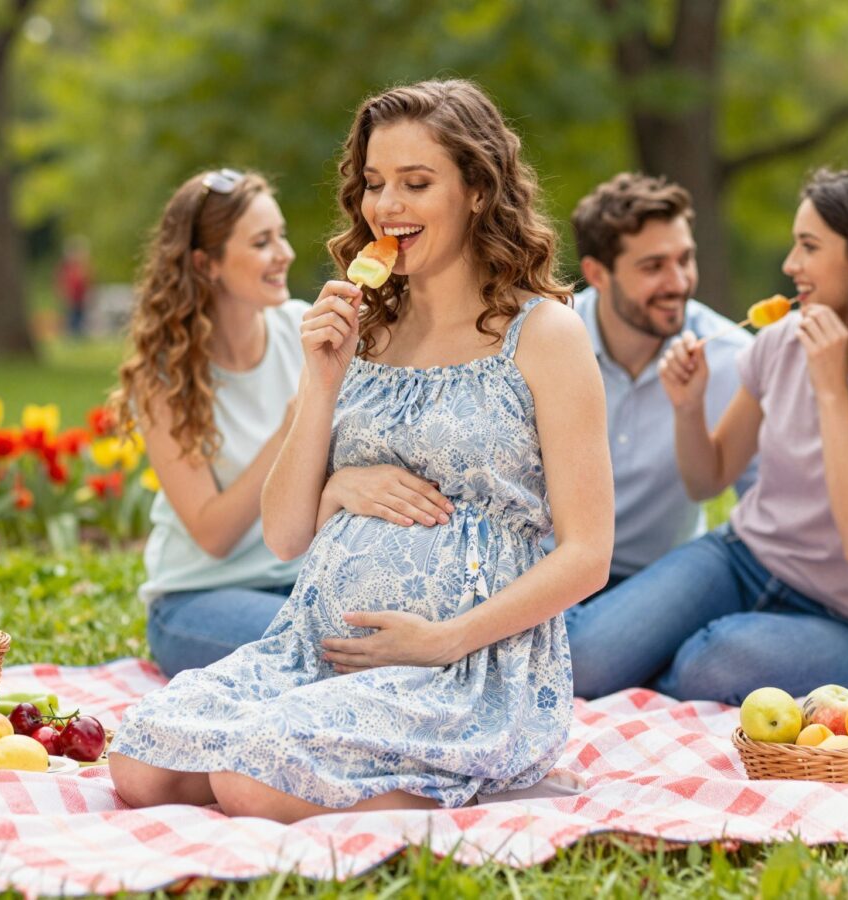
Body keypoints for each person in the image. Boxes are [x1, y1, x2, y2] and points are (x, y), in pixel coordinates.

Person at [109, 78, 613, 823]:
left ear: (477, 191)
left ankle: (492, 788)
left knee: (251, 784)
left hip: (463, 666)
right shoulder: (362, 329)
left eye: (417, 183)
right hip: (314, 649)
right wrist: (321, 384)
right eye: (375, 183)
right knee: (140, 763)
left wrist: (444, 641)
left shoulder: (544, 335)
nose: (387, 205)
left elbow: (589, 555)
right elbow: (284, 535)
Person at [565, 167, 848, 705]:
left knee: (709, 666)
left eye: (808, 246)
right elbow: (708, 480)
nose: (790, 265)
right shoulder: (780, 341)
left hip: (845, 617)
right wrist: (689, 407)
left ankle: (665, 659)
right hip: (740, 559)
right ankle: (642, 657)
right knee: (587, 659)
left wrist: (831, 390)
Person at [551, 174, 757, 698]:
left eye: (685, 259)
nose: (678, 282)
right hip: (546, 571)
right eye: (653, 266)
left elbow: (761, 500)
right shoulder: (546, 341)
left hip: (656, 580)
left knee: (577, 663)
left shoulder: (733, 358)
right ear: (597, 273)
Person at [109, 169, 306, 677]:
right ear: (206, 263)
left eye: (281, 235)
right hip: (199, 601)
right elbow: (212, 534)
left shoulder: (304, 330)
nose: (284, 253)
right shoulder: (164, 377)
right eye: (262, 242)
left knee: (388, 636)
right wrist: (289, 433)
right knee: (326, 647)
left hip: (305, 583)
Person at [56, 237, 92, 338]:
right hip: (71, 297)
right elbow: (63, 283)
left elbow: (87, 282)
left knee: (80, 317)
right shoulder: (67, 268)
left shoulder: (82, 267)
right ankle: (72, 335)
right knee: (72, 318)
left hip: (80, 297)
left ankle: (77, 335)